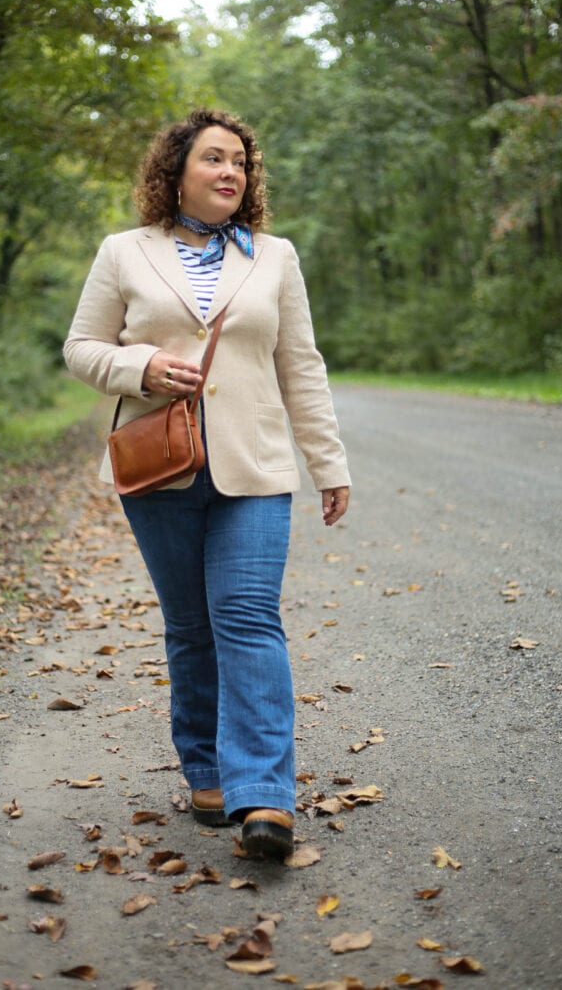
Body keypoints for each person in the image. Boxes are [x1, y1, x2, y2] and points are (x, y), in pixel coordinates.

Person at [64, 109, 350, 859]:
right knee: (191, 625)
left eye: (242, 163)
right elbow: (81, 347)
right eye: (215, 159)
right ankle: (206, 767)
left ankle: (264, 795)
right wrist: (141, 367)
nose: (232, 172)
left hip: (253, 467)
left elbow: (301, 365)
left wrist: (329, 463)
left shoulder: (275, 257)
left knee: (249, 617)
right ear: (176, 170)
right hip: (157, 463)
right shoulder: (124, 251)